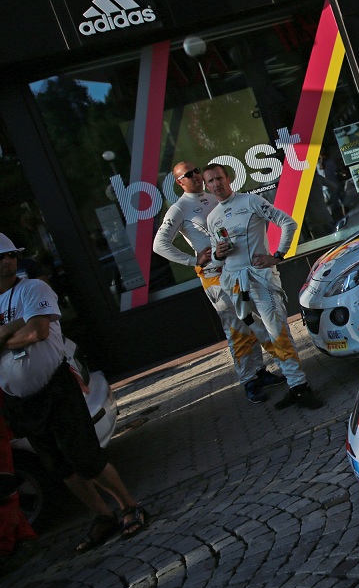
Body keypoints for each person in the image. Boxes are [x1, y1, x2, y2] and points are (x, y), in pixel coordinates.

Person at [0, 232, 149, 553]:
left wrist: (3, 335)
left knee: (85, 457)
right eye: (1, 257)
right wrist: (14, 327)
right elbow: (26, 329)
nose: (7, 261)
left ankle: (129, 505)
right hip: (20, 401)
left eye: (11, 255)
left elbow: (38, 331)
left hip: (55, 389)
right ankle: (103, 515)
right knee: (59, 467)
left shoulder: (32, 288)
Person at [153, 161, 288, 404]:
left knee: (254, 321)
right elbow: (159, 244)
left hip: (237, 268)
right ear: (180, 182)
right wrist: (193, 260)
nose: (195, 176)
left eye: (196, 170)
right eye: (188, 174)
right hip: (213, 275)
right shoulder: (179, 208)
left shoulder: (213, 197)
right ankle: (249, 379)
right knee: (237, 326)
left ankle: (260, 371)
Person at [202, 164, 323, 410]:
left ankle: (300, 387)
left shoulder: (250, 201)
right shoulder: (212, 217)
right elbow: (216, 259)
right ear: (207, 186)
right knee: (262, 335)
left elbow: (288, 223)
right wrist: (217, 254)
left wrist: (277, 256)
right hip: (235, 286)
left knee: (278, 331)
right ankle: (293, 382)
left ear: (228, 178)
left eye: (219, 178)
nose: (216, 184)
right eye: (210, 181)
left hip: (260, 280)